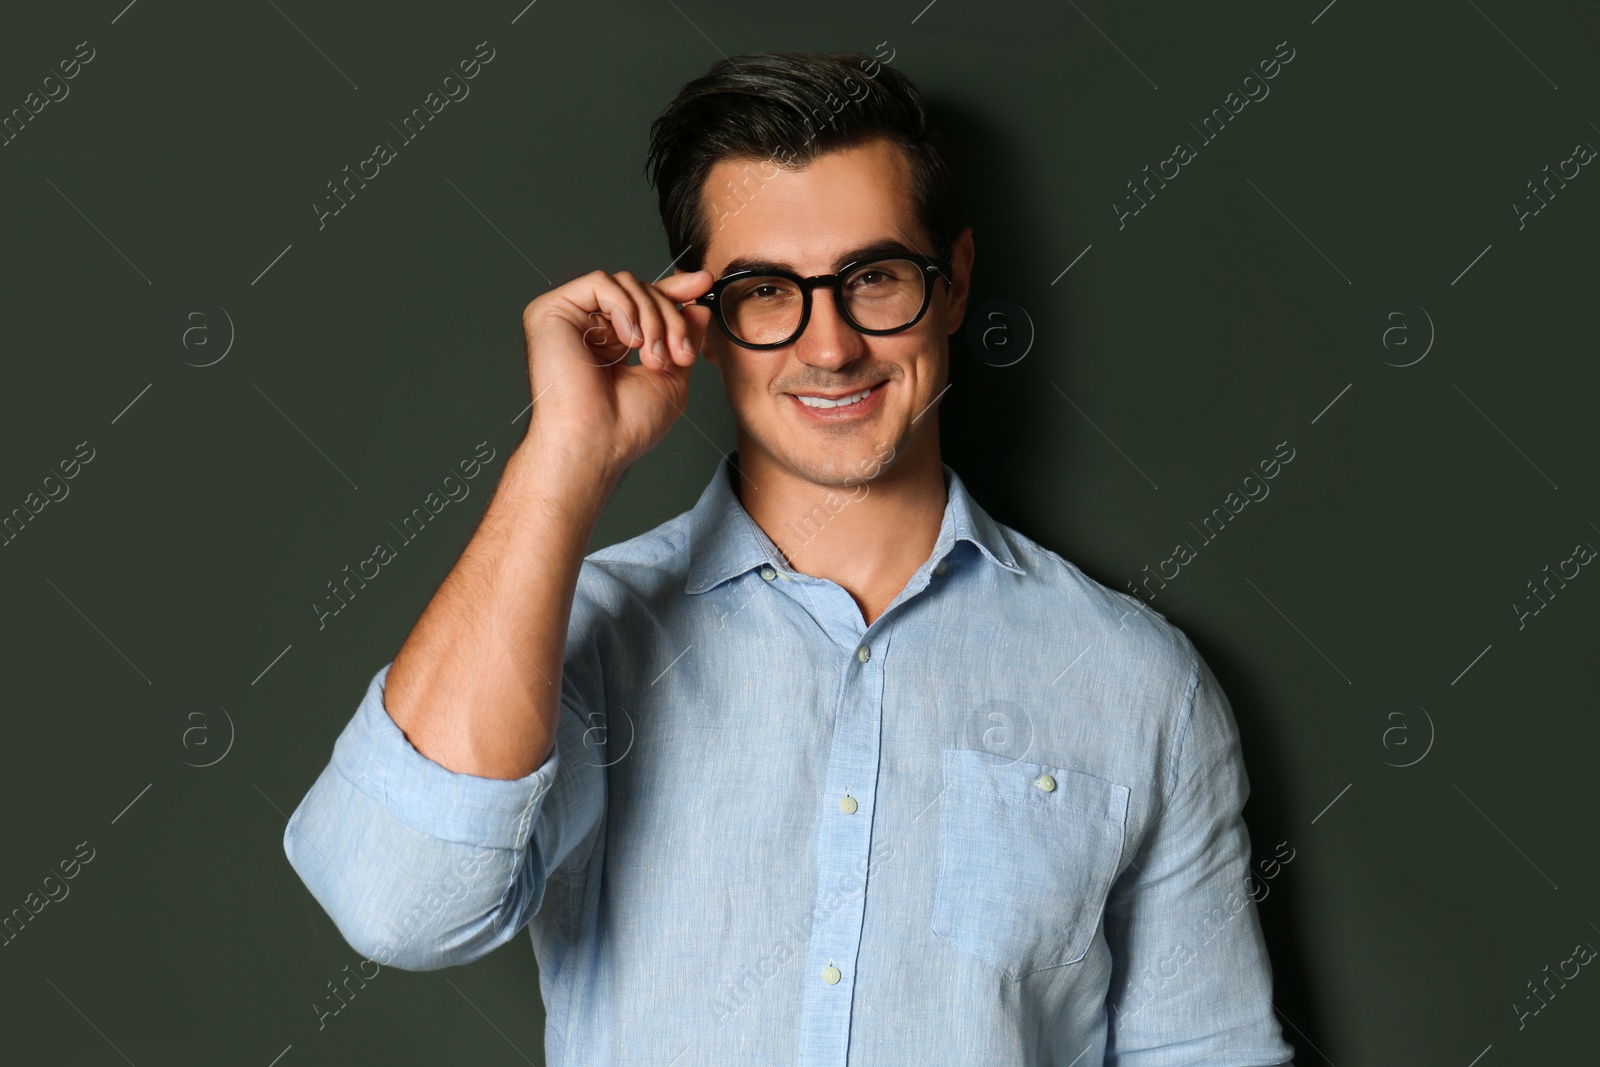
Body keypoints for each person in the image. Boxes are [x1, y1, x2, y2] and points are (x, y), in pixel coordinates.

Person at [283, 50, 1296, 1066]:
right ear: (702, 317)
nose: (829, 346)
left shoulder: (1134, 682)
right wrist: (563, 459)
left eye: (876, 277)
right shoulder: (573, 639)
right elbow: (396, 906)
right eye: (767, 291)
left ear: (954, 283)